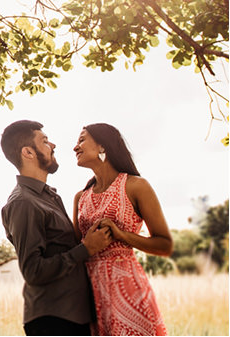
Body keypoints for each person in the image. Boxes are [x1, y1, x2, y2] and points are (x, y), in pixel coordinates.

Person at [1, 119, 112, 336]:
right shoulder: (23, 203)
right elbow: (33, 270)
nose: (52, 145)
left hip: (74, 316)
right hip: (53, 320)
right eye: (44, 141)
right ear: (28, 153)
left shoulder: (49, 196)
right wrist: (86, 249)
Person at [73, 123, 172, 336]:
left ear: (102, 146)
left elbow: (164, 244)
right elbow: (74, 251)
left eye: (81, 140)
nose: (75, 147)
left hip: (129, 289)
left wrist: (122, 236)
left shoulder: (136, 186)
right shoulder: (80, 198)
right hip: (90, 294)